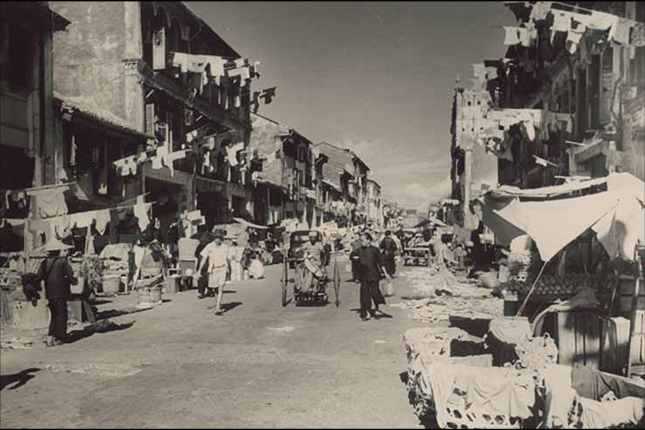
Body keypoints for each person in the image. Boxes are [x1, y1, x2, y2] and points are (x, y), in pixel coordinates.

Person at [37, 238, 77, 346]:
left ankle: (51, 336)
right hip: (61, 292)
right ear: (58, 250)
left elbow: (39, 277)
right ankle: (60, 337)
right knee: (61, 314)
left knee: (53, 314)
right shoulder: (62, 262)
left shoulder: (44, 263)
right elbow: (70, 275)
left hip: (50, 293)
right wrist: (74, 281)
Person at [357, 231, 390, 321]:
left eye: (363, 240)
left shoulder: (375, 250)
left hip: (374, 274)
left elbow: (381, 263)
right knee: (365, 295)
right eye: (360, 240)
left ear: (368, 240)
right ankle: (367, 312)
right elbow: (355, 261)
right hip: (363, 276)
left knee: (375, 292)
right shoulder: (359, 250)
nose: (361, 242)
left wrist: (386, 274)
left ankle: (378, 305)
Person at [196, 229, 230, 315]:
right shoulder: (209, 246)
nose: (217, 239)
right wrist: (199, 270)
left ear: (222, 238)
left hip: (222, 268)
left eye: (219, 237)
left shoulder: (225, 247)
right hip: (213, 270)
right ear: (214, 238)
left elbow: (227, 259)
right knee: (215, 289)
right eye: (216, 237)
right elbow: (203, 258)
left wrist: (228, 268)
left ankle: (218, 306)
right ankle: (218, 303)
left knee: (221, 287)